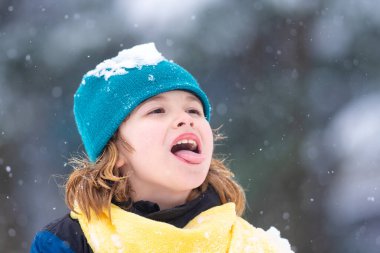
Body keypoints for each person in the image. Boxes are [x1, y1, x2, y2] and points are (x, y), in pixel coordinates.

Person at [31, 43, 293, 253]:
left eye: (194, 110)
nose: (186, 118)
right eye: (157, 110)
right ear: (115, 151)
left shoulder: (252, 246)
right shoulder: (66, 243)